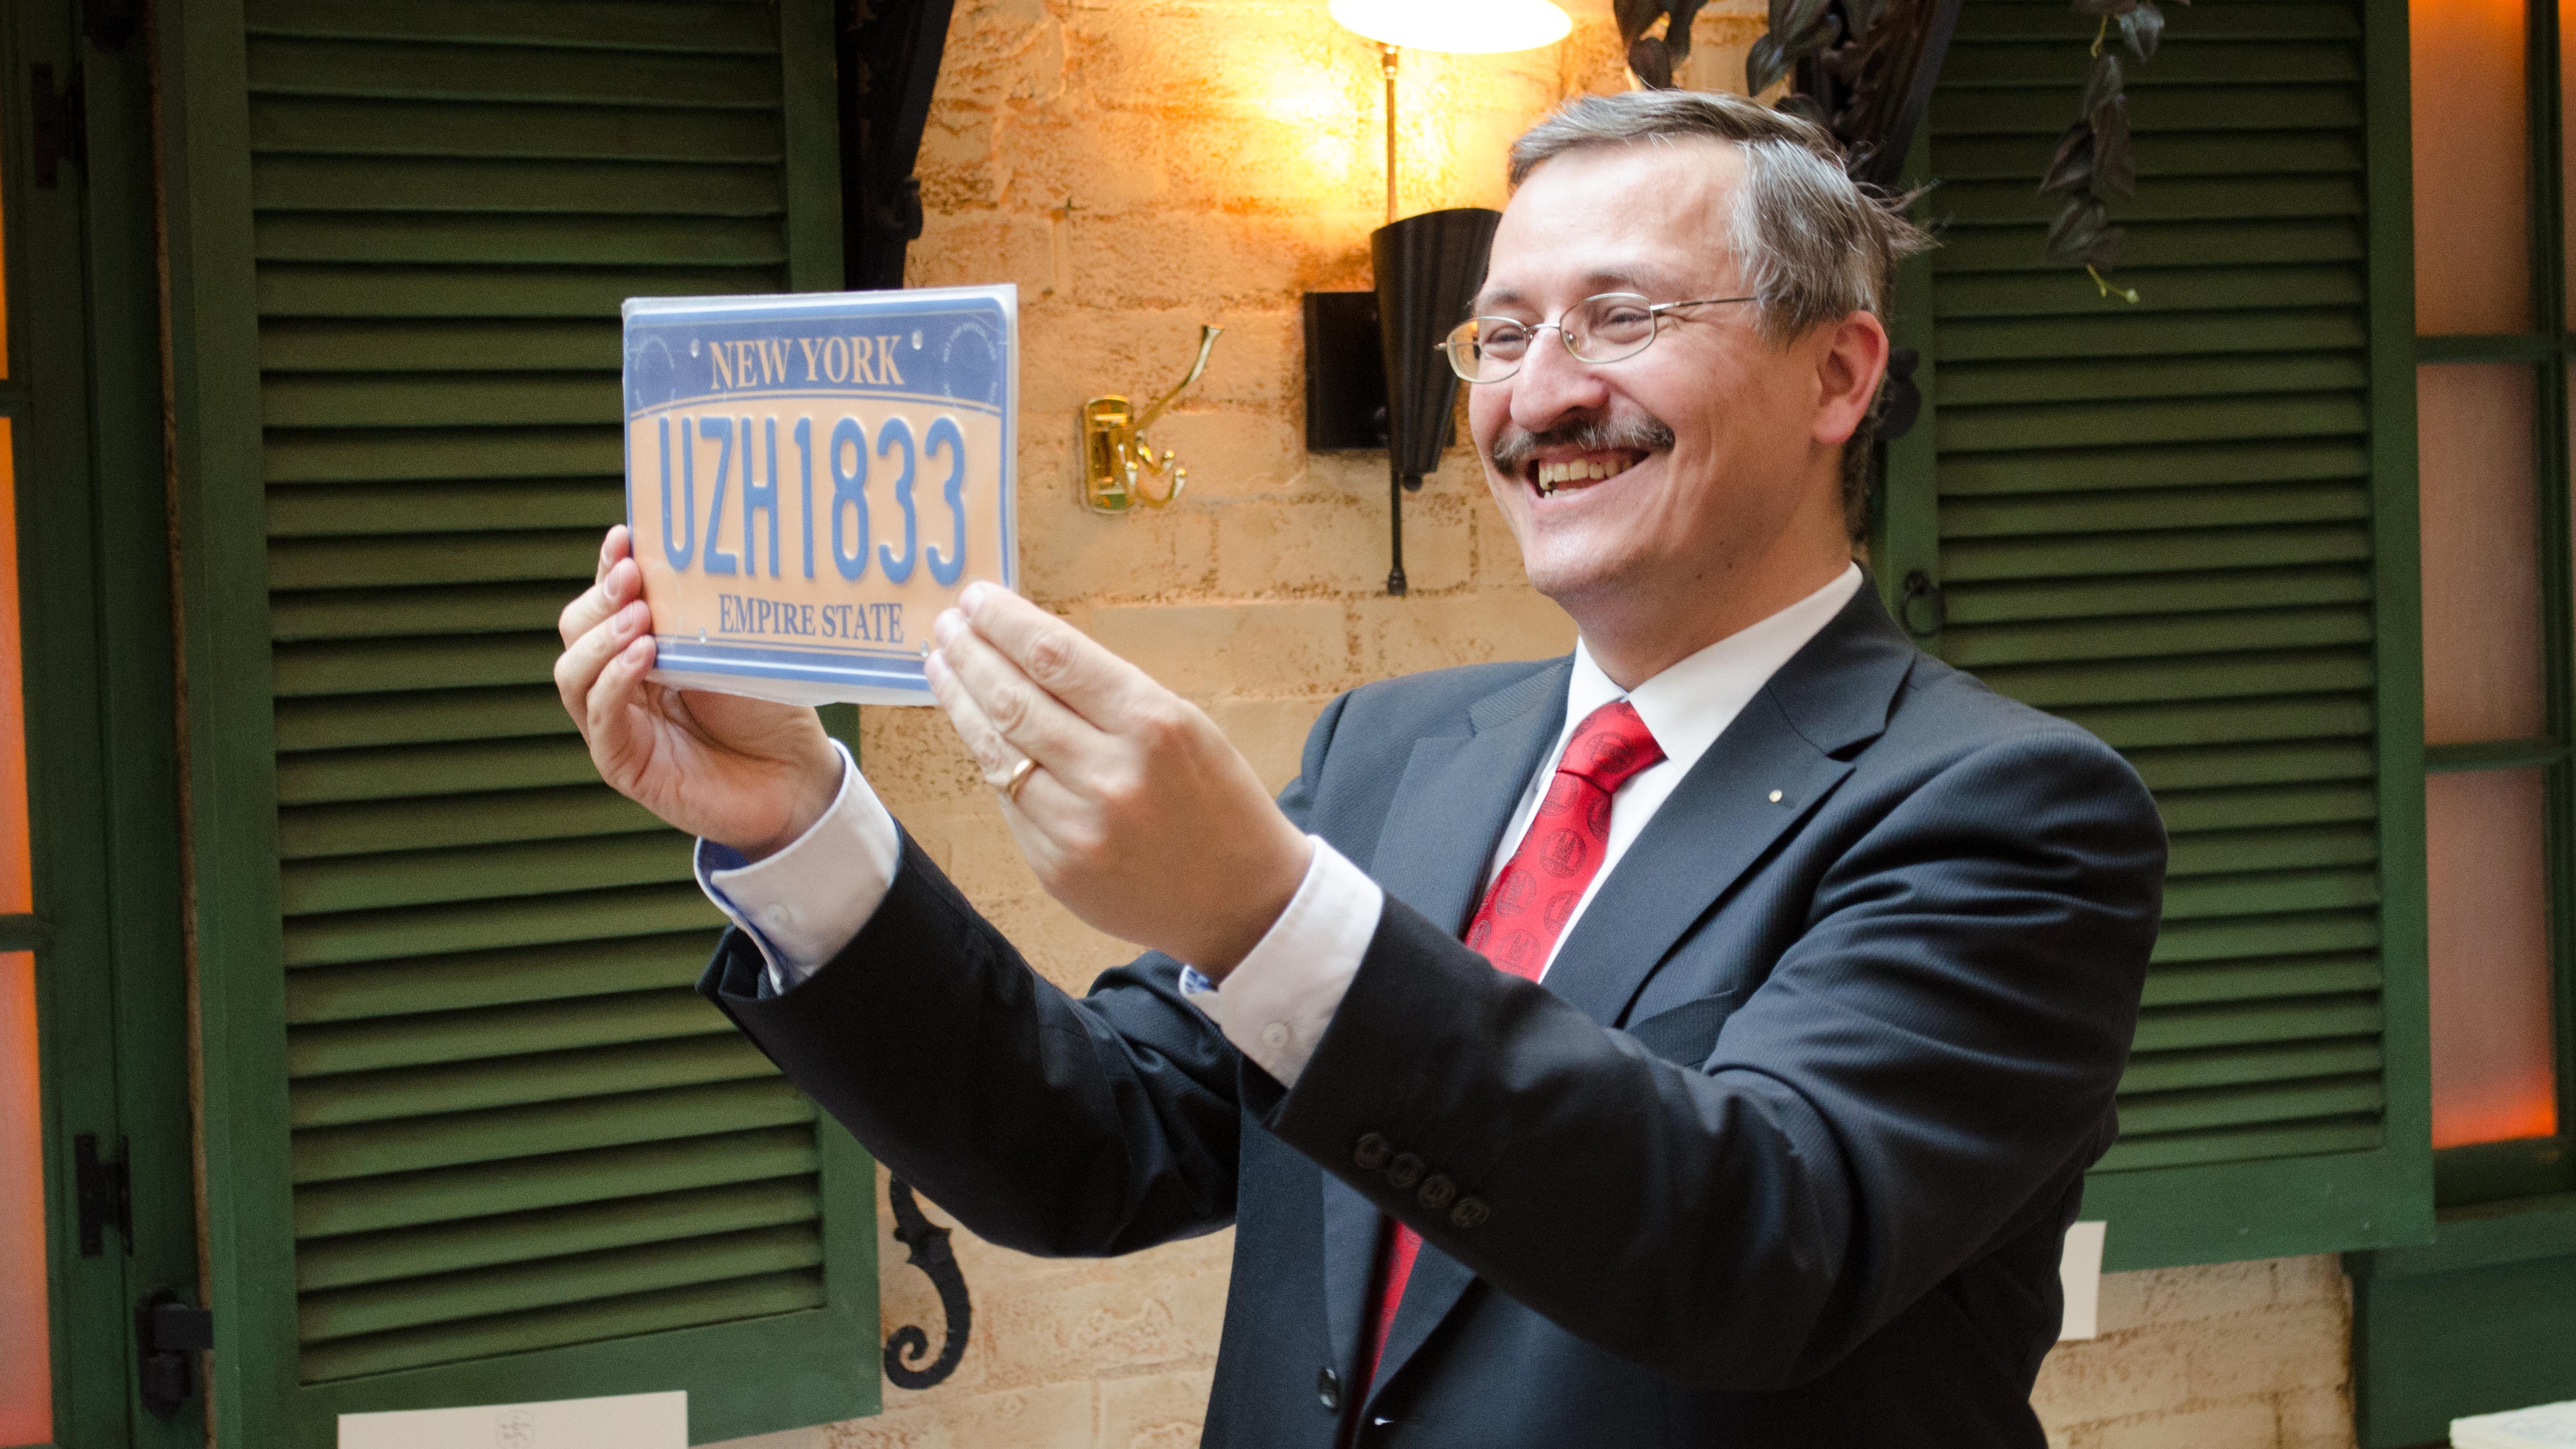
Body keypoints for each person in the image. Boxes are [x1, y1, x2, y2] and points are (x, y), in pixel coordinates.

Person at [555, 88, 2164, 1448]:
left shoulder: (2010, 813)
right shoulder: (1396, 751)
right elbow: (1091, 1147)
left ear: (1841, 374)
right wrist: (798, 825)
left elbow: (1760, 1244)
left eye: (1624, 318)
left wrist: (1267, 914)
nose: (1540, 394)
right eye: (1505, 333)